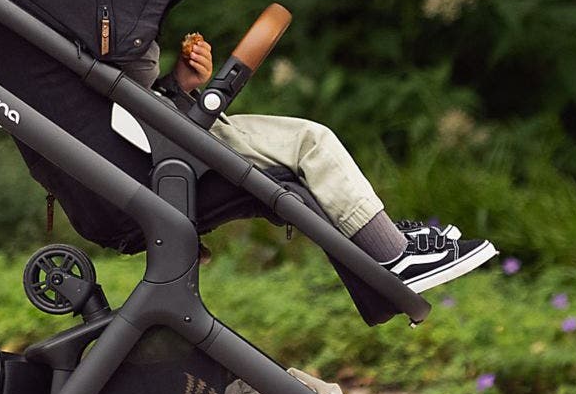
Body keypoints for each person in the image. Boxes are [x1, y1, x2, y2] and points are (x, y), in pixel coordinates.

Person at [128, 30, 497, 292]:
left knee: (305, 144)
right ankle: (394, 257)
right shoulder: (106, 21)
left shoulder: (101, 29)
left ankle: (386, 238)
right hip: (156, 144)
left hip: (151, 130)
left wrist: (178, 84)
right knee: (309, 142)